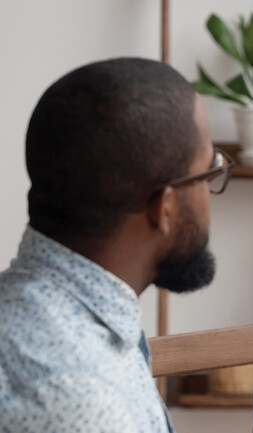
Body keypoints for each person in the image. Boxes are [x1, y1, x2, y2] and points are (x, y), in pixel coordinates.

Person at [0, 58, 234, 432]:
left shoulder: (36, 314)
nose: (211, 193)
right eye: (209, 171)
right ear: (166, 207)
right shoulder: (84, 404)